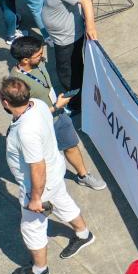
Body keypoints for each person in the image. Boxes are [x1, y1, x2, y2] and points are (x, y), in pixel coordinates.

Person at [0, 76, 95, 274]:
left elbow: (37, 167)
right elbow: (45, 117)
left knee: (32, 228)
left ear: (6, 102)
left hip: (40, 185)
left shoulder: (25, 132)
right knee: (62, 201)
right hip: (55, 173)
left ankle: (39, 270)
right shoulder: (38, 104)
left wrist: (35, 198)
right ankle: (83, 234)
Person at [9, 36, 107, 190]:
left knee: (71, 145)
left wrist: (57, 106)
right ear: (25, 60)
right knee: (45, 158)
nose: (42, 57)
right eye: (38, 55)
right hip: (41, 125)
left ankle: (83, 176)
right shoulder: (17, 84)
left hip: (58, 116)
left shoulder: (37, 63)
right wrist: (54, 107)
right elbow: (24, 115)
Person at [35, 0, 97, 108]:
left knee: (67, 72)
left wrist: (90, 27)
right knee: (75, 66)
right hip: (64, 36)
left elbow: (86, 1)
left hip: (66, 39)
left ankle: (76, 103)